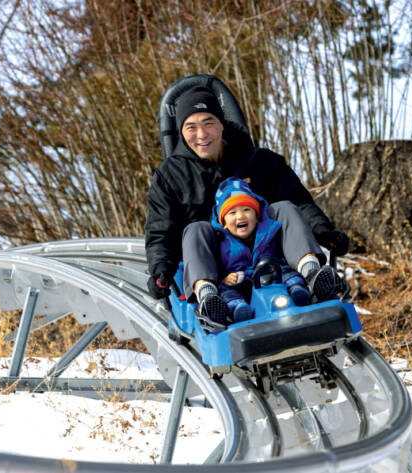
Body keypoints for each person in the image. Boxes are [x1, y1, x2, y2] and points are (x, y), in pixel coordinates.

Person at [145, 84, 349, 326]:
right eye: (191, 127)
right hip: (218, 268)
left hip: (272, 254)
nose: (201, 134)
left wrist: (323, 232)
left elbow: (299, 201)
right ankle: (209, 298)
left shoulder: (261, 162)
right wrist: (160, 270)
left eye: (209, 122)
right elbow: (160, 231)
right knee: (195, 229)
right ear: (181, 132)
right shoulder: (170, 176)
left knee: (283, 206)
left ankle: (311, 274)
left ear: (222, 123)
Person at [211, 177, 338, 323]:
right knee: (227, 292)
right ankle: (237, 309)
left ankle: (299, 288)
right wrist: (224, 278)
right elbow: (216, 267)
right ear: (224, 223)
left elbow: (283, 250)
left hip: (273, 278)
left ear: (257, 216)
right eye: (232, 213)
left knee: (287, 272)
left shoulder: (268, 232)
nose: (240, 216)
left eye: (246, 210)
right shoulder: (221, 242)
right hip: (241, 286)